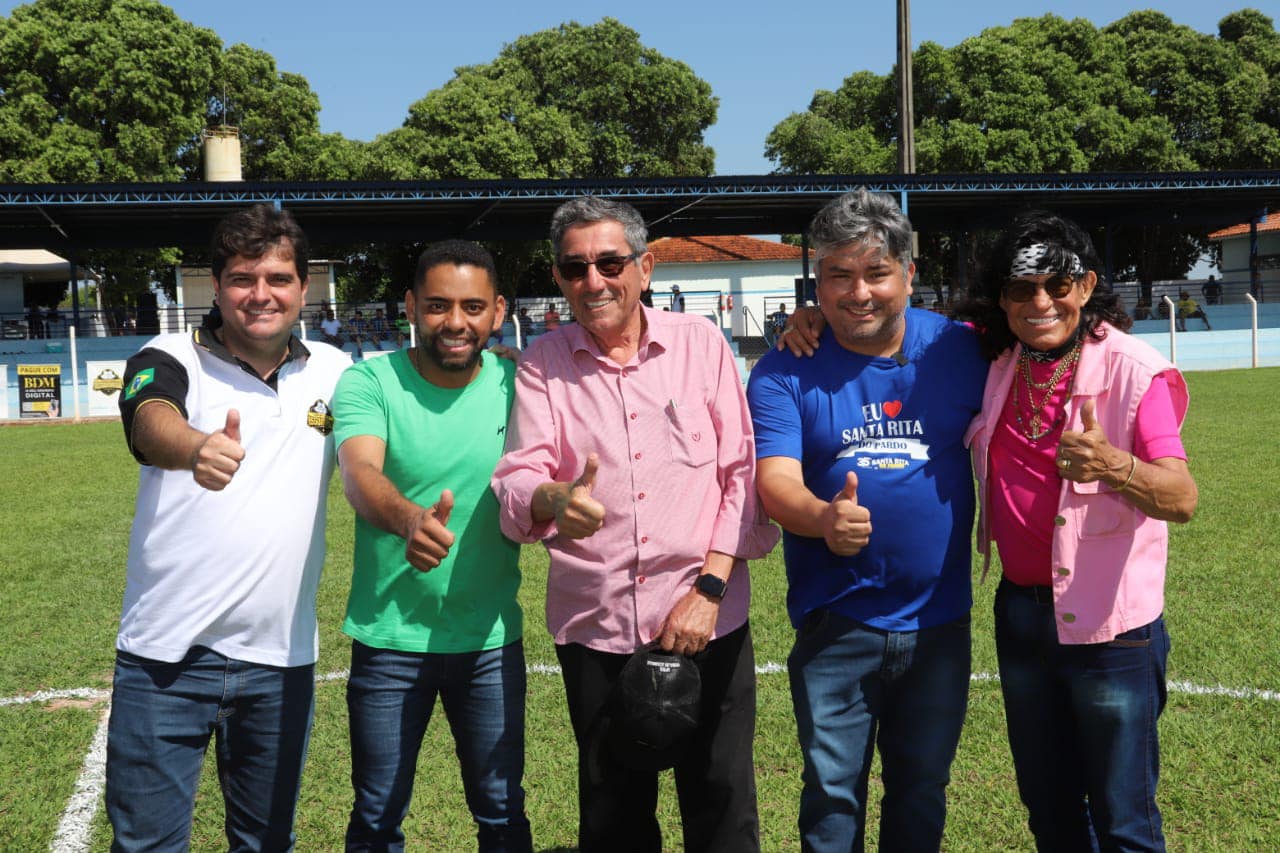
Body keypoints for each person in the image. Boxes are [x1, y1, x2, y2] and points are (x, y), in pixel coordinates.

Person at [491, 196, 778, 853]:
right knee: (613, 817)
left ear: (645, 267)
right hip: (597, 623)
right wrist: (553, 498)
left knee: (722, 805)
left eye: (610, 262)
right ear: (559, 278)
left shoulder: (701, 344)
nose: (594, 281)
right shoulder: (542, 362)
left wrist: (708, 592)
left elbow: (741, 473)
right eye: (575, 268)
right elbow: (516, 479)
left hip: (708, 620)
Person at [106, 204, 350, 850]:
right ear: (215, 287)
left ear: (304, 286)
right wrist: (193, 448)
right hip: (165, 659)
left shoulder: (335, 372)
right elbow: (149, 416)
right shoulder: (168, 353)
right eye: (243, 278)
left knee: (267, 843)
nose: (260, 293)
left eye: (278, 277)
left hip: (280, 661)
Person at [749, 189, 987, 851]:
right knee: (831, 792)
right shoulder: (783, 370)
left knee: (921, 788)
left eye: (876, 273)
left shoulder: (964, 349)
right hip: (837, 622)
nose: (859, 293)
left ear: (910, 273)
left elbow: (1054, 324)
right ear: (816, 281)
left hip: (939, 620)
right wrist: (822, 517)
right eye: (838, 275)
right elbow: (775, 483)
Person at [953, 210, 1198, 851]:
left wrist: (1113, 464)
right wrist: (810, 318)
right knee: (1050, 807)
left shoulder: (1134, 371)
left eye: (1057, 285)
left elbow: (1181, 496)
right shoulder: (997, 358)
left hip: (1113, 630)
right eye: (1020, 289)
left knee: (1124, 820)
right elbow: (894, 329)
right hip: (1021, 616)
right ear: (1000, 298)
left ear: (1086, 287)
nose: (1040, 303)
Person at [333, 240, 531, 851]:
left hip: (491, 641)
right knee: (376, 814)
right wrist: (407, 519)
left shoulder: (523, 380)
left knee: (501, 813)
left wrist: (806, 314)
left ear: (498, 311)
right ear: (411, 306)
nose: (456, 322)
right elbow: (360, 474)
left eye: (473, 307)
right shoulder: (369, 380)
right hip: (390, 641)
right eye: (439, 305)